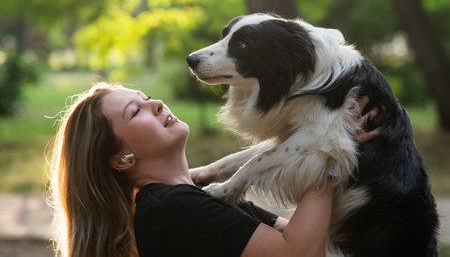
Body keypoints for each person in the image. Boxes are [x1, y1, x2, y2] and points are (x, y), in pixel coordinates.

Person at [48, 82, 380, 257]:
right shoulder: (169, 209)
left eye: (146, 97)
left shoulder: (196, 199)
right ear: (123, 159)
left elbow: (307, 237)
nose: (157, 104)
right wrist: (329, 149)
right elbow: (301, 254)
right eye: (137, 112)